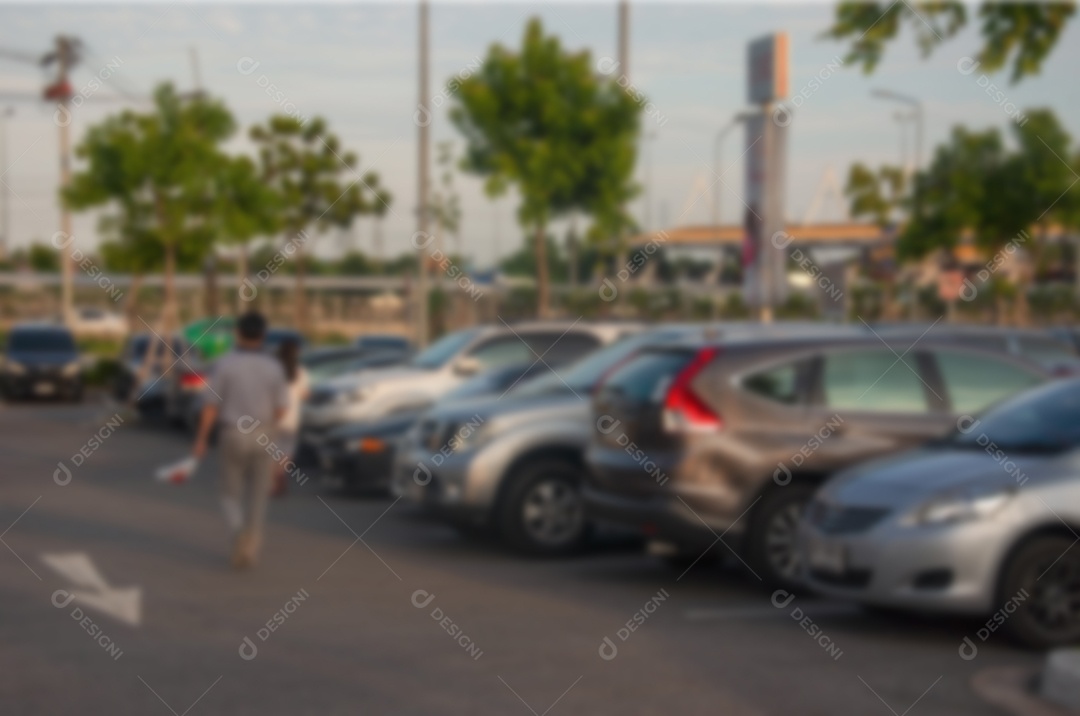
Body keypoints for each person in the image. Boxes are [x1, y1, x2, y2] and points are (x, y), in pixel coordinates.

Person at [193, 311, 288, 570]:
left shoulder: (224, 365)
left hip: (233, 433)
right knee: (259, 493)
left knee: (228, 492)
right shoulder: (274, 367)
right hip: (264, 434)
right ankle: (252, 542)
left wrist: (201, 439)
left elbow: (210, 406)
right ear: (263, 335)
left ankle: (238, 532)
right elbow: (281, 409)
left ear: (237, 333)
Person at [271, 338, 309, 498]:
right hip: (292, 418)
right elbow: (305, 394)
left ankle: (273, 480)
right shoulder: (301, 372)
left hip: (274, 416)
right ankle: (281, 472)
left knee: (273, 449)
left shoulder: (273, 371)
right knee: (288, 450)